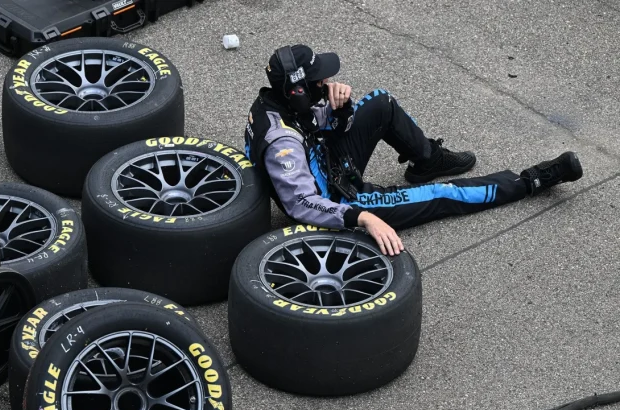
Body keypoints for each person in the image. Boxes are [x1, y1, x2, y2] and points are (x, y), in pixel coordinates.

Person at [243, 44, 583, 256]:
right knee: (441, 194)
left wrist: (342, 107)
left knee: (380, 102)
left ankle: (427, 159)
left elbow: (320, 127)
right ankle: (531, 181)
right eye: (318, 81)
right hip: (340, 201)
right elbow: (301, 204)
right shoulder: (281, 143)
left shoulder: (282, 104)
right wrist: (362, 217)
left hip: (326, 161)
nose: (326, 83)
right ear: (297, 90)